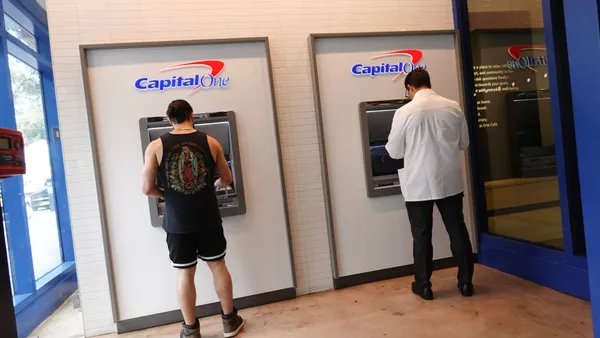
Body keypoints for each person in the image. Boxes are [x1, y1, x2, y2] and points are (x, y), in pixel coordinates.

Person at [142, 99, 244, 338]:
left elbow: (147, 188)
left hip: (177, 222)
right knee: (218, 266)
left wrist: (167, 194)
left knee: (185, 273)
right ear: (192, 115)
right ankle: (229, 322)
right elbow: (226, 178)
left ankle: (190, 330)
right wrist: (215, 184)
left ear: (169, 120)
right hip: (207, 218)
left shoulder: (155, 146)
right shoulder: (211, 142)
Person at [385, 69, 475, 301]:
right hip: (450, 180)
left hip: (419, 183)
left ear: (410, 88)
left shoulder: (404, 112)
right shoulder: (453, 106)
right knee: (457, 230)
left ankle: (424, 286)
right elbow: (464, 143)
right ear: (428, 84)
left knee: (421, 235)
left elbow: (394, 150)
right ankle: (466, 283)